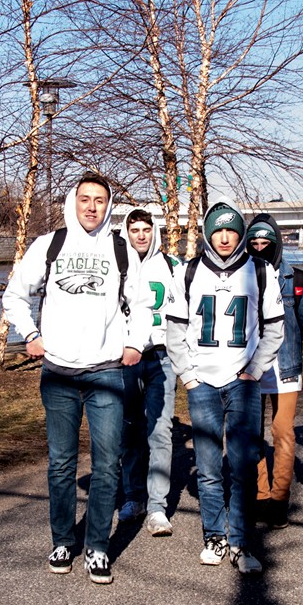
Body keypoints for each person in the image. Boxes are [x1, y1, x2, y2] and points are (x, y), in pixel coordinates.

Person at [2, 172, 147, 585]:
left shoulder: (122, 251)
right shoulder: (50, 244)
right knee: (62, 463)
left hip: (105, 372)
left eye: (100, 200)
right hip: (59, 372)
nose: (92, 207)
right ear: (73, 201)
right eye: (85, 199)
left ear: (108, 205)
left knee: (106, 465)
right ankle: (63, 541)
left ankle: (98, 548)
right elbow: (15, 294)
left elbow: (141, 306)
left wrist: (135, 342)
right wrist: (30, 334)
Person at [166, 195, 284, 575]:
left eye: (232, 230)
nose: (225, 237)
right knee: (208, 466)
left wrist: (254, 369)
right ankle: (214, 536)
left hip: (243, 383)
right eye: (218, 230)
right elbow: (175, 331)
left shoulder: (260, 271)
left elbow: (275, 329)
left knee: (244, 466)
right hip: (202, 383)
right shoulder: (187, 272)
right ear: (206, 233)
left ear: (241, 233)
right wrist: (189, 375)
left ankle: (241, 542)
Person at [244, 214, 303, 529]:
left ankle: (279, 499)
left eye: (266, 243)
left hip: (286, 366)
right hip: (250, 368)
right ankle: (260, 494)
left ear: (276, 244)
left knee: (282, 432)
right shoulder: (240, 276)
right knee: (251, 435)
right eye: (254, 243)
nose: (260, 248)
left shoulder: (297, 280)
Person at [117, 207, 181, 536]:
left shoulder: (171, 266)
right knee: (129, 429)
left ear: (153, 231)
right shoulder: (117, 262)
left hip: (161, 357)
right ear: (126, 232)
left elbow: (184, 312)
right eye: (135, 230)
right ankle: (134, 497)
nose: (140, 235)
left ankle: (157, 506)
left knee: (160, 430)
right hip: (126, 357)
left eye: (145, 229)